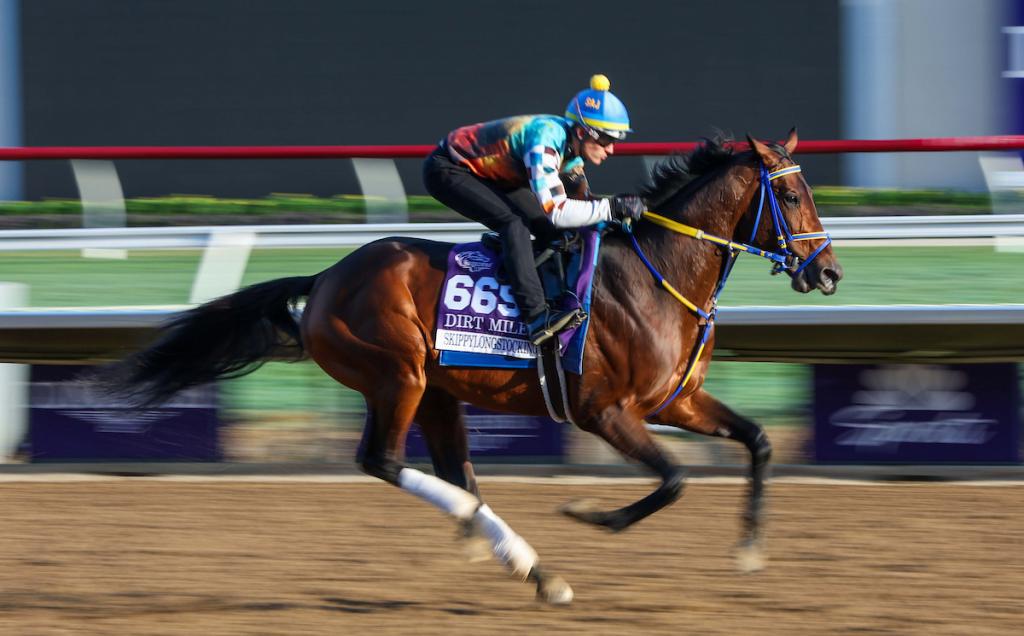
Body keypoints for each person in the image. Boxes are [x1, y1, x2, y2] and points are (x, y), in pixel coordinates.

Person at [423, 74, 645, 346]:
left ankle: (527, 273)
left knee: (555, 233)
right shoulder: (545, 142)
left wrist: (617, 211)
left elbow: (582, 207)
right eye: (606, 140)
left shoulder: (572, 150)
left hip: (493, 174)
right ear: (581, 132)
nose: (611, 149)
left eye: (616, 141)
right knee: (513, 224)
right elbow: (559, 210)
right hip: (449, 168)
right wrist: (611, 207)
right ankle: (536, 318)